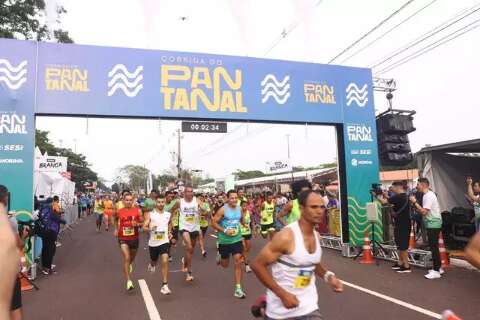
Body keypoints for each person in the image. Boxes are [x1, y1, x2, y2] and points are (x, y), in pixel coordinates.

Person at [251, 190, 343, 320]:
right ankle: (264, 308)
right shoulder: (286, 236)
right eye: (314, 207)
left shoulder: (317, 236)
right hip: (281, 312)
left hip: (309, 307)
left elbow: (312, 263)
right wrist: (282, 294)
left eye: (322, 207)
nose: (319, 211)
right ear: (301, 209)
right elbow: (257, 265)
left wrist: (329, 277)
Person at [212, 190, 247, 299]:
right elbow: (213, 223)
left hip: (236, 239)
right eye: (232, 198)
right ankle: (220, 255)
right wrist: (225, 230)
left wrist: (245, 224)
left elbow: (241, 219)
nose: (234, 200)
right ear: (227, 199)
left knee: (238, 261)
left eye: (236, 198)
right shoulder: (223, 210)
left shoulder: (240, 208)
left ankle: (238, 288)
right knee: (225, 265)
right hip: (224, 241)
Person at [409, 178, 443, 279]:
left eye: (418, 184)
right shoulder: (427, 195)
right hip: (432, 223)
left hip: (434, 223)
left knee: (434, 247)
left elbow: (424, 212)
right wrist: (415, 205)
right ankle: (438, 268)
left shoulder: (429, 195)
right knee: (434, 246)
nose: (416, 186)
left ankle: (436, 271)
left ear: (424, 185)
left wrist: (415, 203)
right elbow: (423, 211)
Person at [0, 185, 24, 320]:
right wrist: (24, 236)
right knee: (14, 308)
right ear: (5, 198)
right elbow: (19, 244)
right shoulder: (9, 222)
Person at [377, 181, 412, 273]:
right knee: (400, 244)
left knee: (403, 245)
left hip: (402, 224)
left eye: (393, 187)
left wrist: (376, 196)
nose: (392, 189)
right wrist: (385, 195)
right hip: (404, 222)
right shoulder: (404, 196)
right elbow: (391, 200)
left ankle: (406, 266)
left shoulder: (398, 197)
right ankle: (400, 262)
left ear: (398, 187)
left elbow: (384, 202)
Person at [143, 195, 172, 295]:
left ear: (165, 202)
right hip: (153, 243)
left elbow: (169, 223)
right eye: (159, 202)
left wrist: (169, 232)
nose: (161, 204)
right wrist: (150, 229)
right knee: (153, 261)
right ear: (156, 202)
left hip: (164, 241)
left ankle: (165, 285)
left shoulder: (168, 214)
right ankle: (152, 265)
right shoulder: (150, 214)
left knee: (165, 259)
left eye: (162, 202)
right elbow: (144, 227)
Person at [174, 186, 201, 282]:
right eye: (188, 192)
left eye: (191, 191)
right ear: (184, 193)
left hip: (194, 227)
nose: (190, 193)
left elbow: (205, 209)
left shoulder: (196, 200)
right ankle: (189, 273)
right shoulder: (179, 202)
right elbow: (172, 210)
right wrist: (170, 223)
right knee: (189, 247)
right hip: (184, 226)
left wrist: (203, 209)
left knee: (191, 250)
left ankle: (184, 260)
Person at [116, 193, 142, 290]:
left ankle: (129, 264)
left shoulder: (137, 211)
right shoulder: (119, 211)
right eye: (126, 200)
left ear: (132, 201)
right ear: (123, 201)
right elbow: (114, 218)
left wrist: (138, 224)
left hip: (134, 238)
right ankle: (128, 281)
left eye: (130, 200)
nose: (128, 202)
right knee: (127, 257)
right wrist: (115, 229)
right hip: (123, 238)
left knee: (131, 258)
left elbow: (143, 222)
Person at [38, 197, 66, 275]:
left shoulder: (42, 209)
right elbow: (57, 218)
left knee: (45, 249)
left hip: (44, 231)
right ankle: (48, 268)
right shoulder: (51, 209)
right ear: (52, 202)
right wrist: (63, 221)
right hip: (51, 231)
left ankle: (44, 267)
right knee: (51, 250)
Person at [164, 191, 178, 261]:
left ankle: (167, 253)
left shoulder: (174, 203)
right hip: (162, 225)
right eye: (169, 196)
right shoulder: (161, 204)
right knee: (165, 241)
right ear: (165, 196)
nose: (171, 198)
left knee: (171, 241)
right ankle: (166, 254)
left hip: (172, 225)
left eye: (172, 197)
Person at [240, 200, 253, 273]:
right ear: (240, 206)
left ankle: (243, 257)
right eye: (243, 206)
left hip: (248, 232)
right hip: (240, 233)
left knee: (248, 247)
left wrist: (253, 230)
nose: (244, 207)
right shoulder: (238, 214)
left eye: (246, 206)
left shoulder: (249, 213)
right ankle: (247, 265)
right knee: (244, 247)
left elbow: (252, 222)